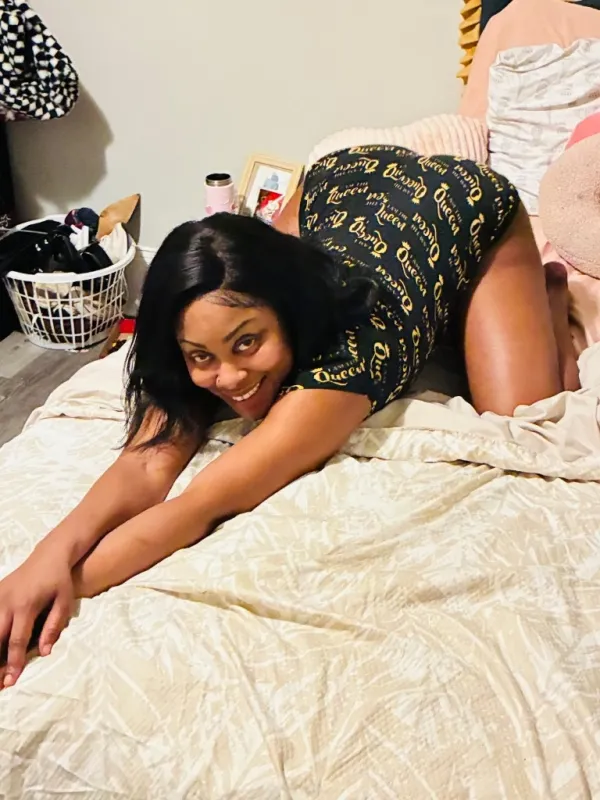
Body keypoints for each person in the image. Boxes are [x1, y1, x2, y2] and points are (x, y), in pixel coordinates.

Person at [0, 145, 579, 688]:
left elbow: (198, 506)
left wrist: (55, 598)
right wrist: (45, 558)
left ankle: (548, 292)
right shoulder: (191, 341)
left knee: (521, 414)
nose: (231, 379)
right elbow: (147, 464)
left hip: (460, 202)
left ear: (286, 313)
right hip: (343, 179)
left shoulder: (346, 361)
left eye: (247, 342)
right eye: (202, 356)